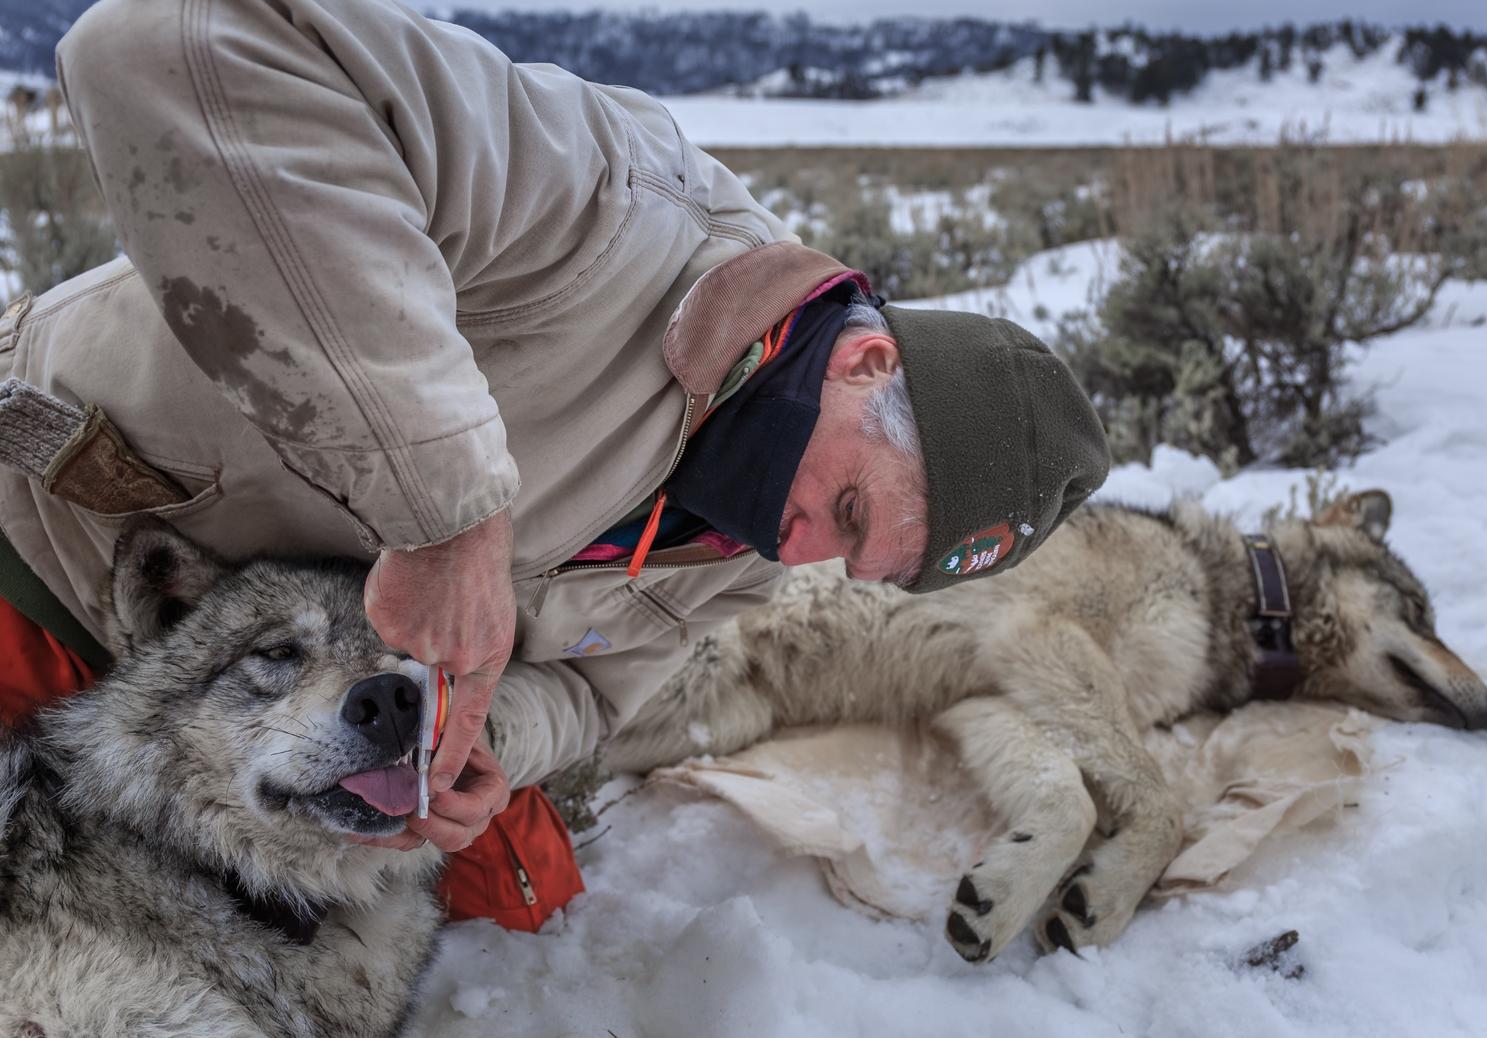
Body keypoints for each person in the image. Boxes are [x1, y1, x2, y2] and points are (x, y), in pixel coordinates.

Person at [0, 0, 1108, 928]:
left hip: (318, 714)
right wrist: (448, 510)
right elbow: (164, 40)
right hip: (61, 545)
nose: (801, 552)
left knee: (526, 904)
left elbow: (594, 690)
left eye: (852, 562)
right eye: (852, 506)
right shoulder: (605, 210)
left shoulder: (749, 547)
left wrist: (501, 740)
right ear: (865, 361)